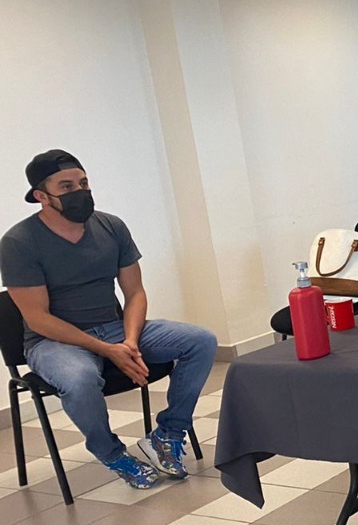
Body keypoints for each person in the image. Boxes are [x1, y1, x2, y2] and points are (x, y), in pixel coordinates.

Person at [0, 150, 218, 489]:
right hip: (53, 342)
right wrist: (105, 349)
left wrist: (128, 341)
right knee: (79, 379)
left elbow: (135, 293)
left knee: (200, 341)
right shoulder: (19, 243)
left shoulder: (111, 226)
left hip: (115, 329)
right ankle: (112, 453)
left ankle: (168, 434)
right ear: (41, 196)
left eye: (84, 183)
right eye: (67, 186)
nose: (80, 192)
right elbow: (38, 319)